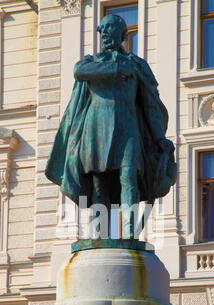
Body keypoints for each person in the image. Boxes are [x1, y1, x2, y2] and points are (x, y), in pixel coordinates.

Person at [45, 14, 176, 238]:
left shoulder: (136, 66)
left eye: (109, 28)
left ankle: (129, 235)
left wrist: (158, 137)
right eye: (101, 30)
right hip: (95, 131)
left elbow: (150, 104)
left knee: (129, 179)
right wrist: (116, 68)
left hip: (129, 130)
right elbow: (79, 72)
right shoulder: (91, 62)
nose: (103, 33)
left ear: (123, 33)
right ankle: (98, 237)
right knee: (99, 186)